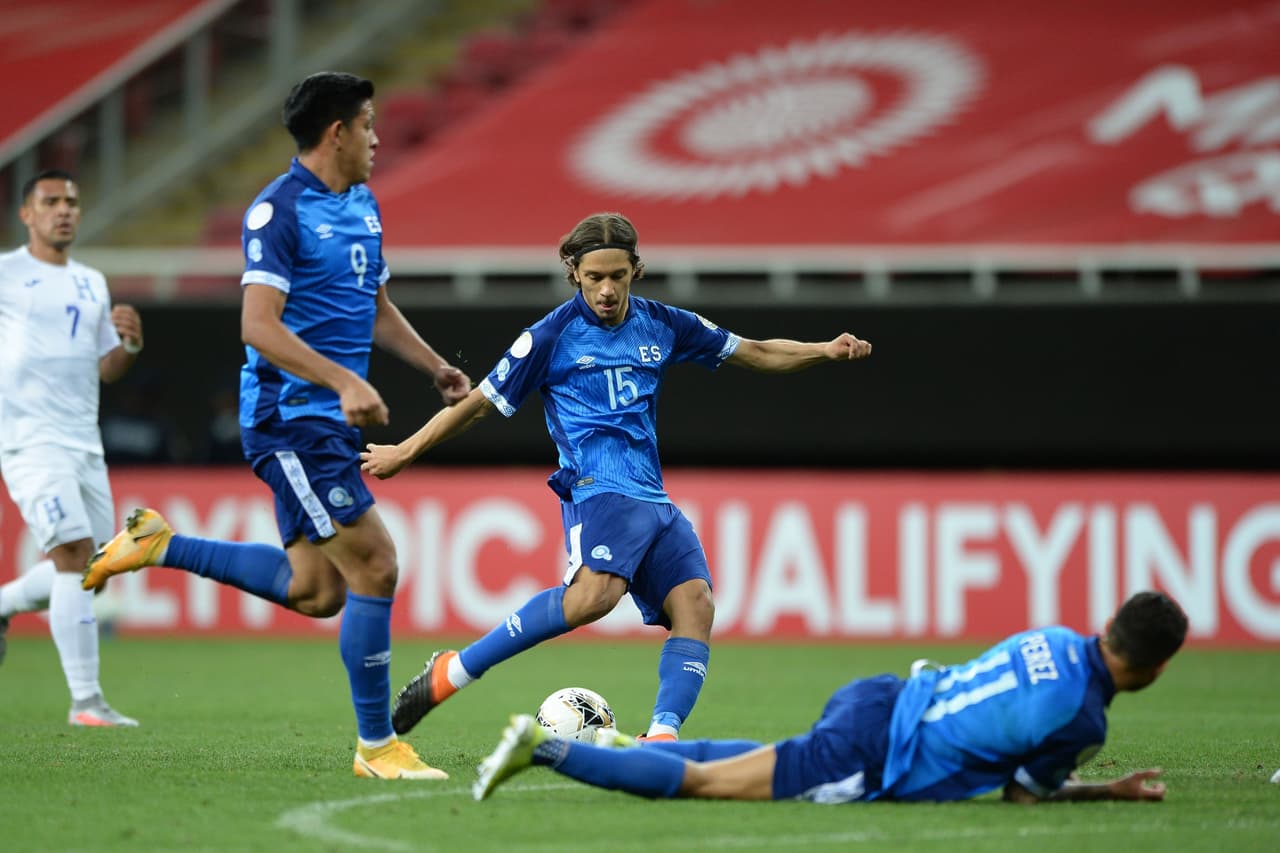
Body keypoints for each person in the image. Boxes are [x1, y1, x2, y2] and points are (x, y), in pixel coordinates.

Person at [82, 72, 471, 779]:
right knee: (376, 564)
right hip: (290, 417)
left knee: (316, 591)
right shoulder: (277, 211)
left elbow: (374, 307)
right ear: (337, 132)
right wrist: (344, 379)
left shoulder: (363, 204)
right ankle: (377, 745)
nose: (377, 137)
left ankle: (159, 542)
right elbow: (256, 325)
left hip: (325, 420)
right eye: (368, 124)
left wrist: (434, 366)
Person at [360, 212, 873, 742]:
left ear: (635, 271)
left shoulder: (665, 324)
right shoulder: (549, 337)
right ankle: (457, 669)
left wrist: (824, 350)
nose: (606, 290)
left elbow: (757, 352)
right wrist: (406, 450)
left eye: (617, 276)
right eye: (594, 277)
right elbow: (478, 404)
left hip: (652, 496)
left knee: (695, 604)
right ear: (573, 274)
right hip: (597, 488)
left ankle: (662, 736)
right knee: (594, 597)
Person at [472, 590, 1189, 804]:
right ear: (1156, 669)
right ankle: (547, 748)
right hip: (879, 752)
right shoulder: (1081, 719)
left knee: (751, 760)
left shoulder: (1056, 638)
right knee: (704, 786)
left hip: (883, 696)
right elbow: (1024, 796)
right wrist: (1105, 792)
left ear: (1107, 625)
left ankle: (612, 745)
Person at [0, 169, 144, 726]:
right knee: (73, 555)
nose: (64, 210)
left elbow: (108, 368)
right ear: (27, 214)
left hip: (84, 442)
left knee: (94, 569)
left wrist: (129, 344)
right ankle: (86, 702)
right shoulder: (7, 273)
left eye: (71, 202)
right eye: (51, 202)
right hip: (29, 440)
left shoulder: (91, 282)